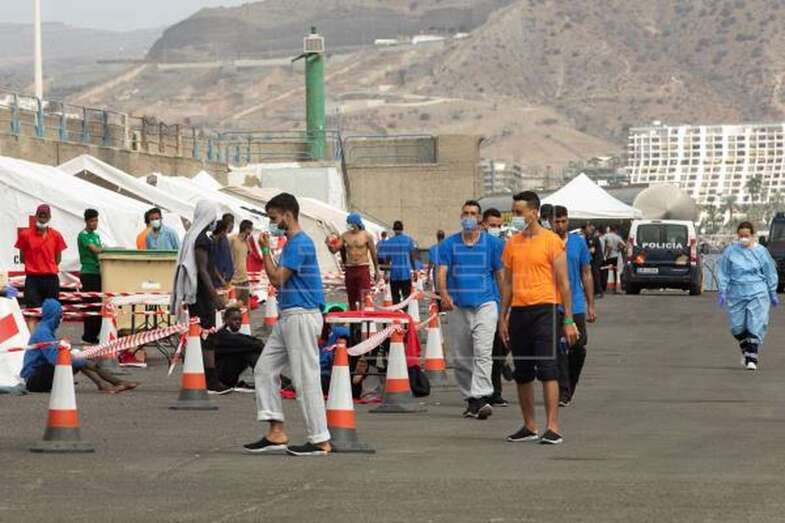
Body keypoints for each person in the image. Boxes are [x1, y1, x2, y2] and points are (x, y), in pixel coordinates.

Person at [244, 192, 331, 457]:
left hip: (302, 315)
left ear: (287, 214)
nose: (271, 223)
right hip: (289, 315)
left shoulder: (299, 244)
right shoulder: (292, 243)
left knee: (306, 378)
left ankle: (319, 438)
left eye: (273, 218)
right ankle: (276, 430)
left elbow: (277, 278)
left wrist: (266, 250)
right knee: (264, 370)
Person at [498, 191, 579, 446]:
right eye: (514, 212)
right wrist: (503, 316)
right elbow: (508, 283)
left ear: (534, 213)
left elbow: (564, 284)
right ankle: (529, 425)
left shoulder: (552, 241)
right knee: (522, 373)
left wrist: (568, 320)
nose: (516, 217)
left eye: (519, 212)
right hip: (519, 312)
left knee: (547, 370)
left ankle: (552, 427)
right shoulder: (512, 243)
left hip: (545, 310)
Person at [438, 200, 503, 419]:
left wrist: (505, 305)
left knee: (483, 352)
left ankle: (481, 396)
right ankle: (471, 399)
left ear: (480, 219)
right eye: (465, 212)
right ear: (460, 216)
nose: (469, 216)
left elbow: (501, 275)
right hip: (458, 306)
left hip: (486, 303)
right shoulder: (449, 245)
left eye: (473, 213)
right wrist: (444, 294)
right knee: (462, 356)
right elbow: (442, 271)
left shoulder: (493, 245)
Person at [170, 199, 231, 395]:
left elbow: (209, 268)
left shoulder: (194, 236)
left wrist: (219, 280)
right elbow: (202, 270)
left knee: (201, 334)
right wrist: (215, 297)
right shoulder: (202, 240)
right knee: (207, 335)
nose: (216, 221)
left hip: (201, 294)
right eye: (214, 217)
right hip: (202, 295)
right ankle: (211, 379)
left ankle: (204, 375)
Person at [21, 299, 139, 393]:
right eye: (59, 315)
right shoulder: (43, 333)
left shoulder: (44, 329)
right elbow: (54, 359)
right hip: (33, 380)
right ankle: (114, 382)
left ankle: (106, 384)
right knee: (80, 361)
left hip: (38, 375)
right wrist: (79, 359)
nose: (60, 319)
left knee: (79, 360)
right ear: (54, 315)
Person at [717, 222, 779, 371]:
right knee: (737, 327)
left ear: (752, 235)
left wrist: (772, 292)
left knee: (755, 323)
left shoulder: (761, 252)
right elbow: (723, 272)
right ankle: (746, 350)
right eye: (741, 236)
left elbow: (770, 272)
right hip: (737, 292)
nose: (744, 238)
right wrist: (722, 291)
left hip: (758, 291)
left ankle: (752, 358)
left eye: (747, 236)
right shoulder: (730, 252)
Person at [552, 206, 597, 406]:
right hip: (553, 302)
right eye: (556, 221)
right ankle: (563, 390)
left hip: (576, 303)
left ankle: (570, 383)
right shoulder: (546, 242)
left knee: (578, 347)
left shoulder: (578, 243)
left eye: (563, 221)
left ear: (568, 221)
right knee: (558, 348)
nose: (560, 225)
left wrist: (591, 305)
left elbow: (586, 273)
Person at [15, 204, 66, 328]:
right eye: (40, 214)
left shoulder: (56, 235)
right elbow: (22, 257)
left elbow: (58, 259)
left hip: (51, 278)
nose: (43, 217)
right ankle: (32, 341)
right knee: (32, 312)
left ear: (49, 217)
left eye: (45, 214)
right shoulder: (25, 235)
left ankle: (48, 340)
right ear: (36, 216)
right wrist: (36, 265)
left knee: (51, 312)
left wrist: (47, 266)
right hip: (33, 279)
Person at [482, 207, 512, 407]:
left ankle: (497, 382)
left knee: (501, 346)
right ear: (483, 224)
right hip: (483, 302)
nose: (495, 228)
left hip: (500, 301)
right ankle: (489, 392)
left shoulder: (502, 245)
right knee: (486, 351)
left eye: (498, 225)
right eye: (492, 225)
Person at [325, 212, 381, 311]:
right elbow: (335, 250)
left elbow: (373, 254)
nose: (349, 226)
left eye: (351, 224)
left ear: (356, 224)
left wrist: (377, 270)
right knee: (351, 298)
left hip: (362, 268)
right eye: (348, 224)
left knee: (363, 297)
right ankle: (354, 324)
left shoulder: (367, 236)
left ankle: (362, 321)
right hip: (350, 269)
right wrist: (329, 244)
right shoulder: (345, 236)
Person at [213, 307, 263, 391]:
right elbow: (249, 343)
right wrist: (259, 345)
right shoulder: (222, 335)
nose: (238, 322)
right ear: (225, 320)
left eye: (240, 319)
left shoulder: (234, 335)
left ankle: (272, 379)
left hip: (229, 375)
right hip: (221, 376)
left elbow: (253, 341)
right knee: (248, 351)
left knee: (249, 350)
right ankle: (270, 380)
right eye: (234, 319)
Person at [77, 209, 103, 345]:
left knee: (98, 305)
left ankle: (94, 334)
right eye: (92, 221)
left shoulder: (96, 235)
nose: (95, 223)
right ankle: (88, 335)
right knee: (91, 305)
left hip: (98, 272)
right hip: (88, 273)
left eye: (96, 220)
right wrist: (107, 249)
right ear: (86, 221)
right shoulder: (83, 235)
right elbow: (95, 249)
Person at [379, 221, 417, 304]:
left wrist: (386, 273)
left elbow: (387, 260)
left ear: (393, 229)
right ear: (402, 229)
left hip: (394, 274)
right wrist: (415, 270)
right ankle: (404, 312)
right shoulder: (408, 240)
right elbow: (412, 257)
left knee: (395, 297)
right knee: (406, 297)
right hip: (406, 274)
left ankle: (398, 314)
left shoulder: (390, 242)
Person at [230, 219, 254, 309]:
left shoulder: (246, 242)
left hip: (244, 278)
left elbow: (250, 252)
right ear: (246, 229)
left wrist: (247, 241)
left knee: (245, 305)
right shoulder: (232, 239)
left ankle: (245, 323)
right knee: (234, 306)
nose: (251, 231)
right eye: (251, 229)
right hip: (234, 279)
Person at [601, 226, 625, 293]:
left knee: (605, 271)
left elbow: (605, 244)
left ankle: (604, 287)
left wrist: (605, 255)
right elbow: (623, 245)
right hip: (615, 256)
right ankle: (615, 288)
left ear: (610, 229)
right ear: (615, 230)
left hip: (608, 256)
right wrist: (618, 249)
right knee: (615, 271)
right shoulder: (617, 237)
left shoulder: (606, 236)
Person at [583, 223, 604, 298]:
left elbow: (592, 250)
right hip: (592, 259)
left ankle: (599, 292)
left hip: (596, 259)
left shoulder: (592, 237)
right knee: (593, 274)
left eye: (585, 229)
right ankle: (594, 291)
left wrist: (583, 252)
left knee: (596, 275)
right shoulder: (587, 237)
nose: (584, 231)